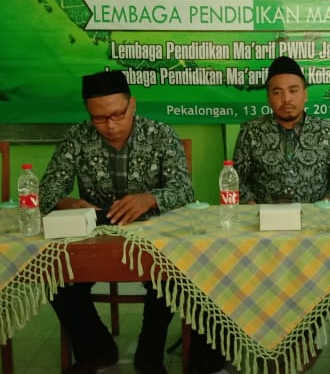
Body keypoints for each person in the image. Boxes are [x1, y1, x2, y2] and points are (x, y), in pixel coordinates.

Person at [39, 70, 224, 374]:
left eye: (118, 114)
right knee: (54, 273)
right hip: (96, 237)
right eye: (99, 118)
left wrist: (148, 198)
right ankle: (97, 349)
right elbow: (46, 189)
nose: (110, 125)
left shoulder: (160, 135)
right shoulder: (77, 137)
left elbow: (183, 190)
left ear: (132, 105)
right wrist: (67, 202)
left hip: (153, 237)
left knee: (169, 276)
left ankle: (149, 354)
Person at [233, 56, 330, 204]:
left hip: (316, 216)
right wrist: (254, 209)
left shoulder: (327, 131)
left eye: (293, 90)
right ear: (268, 98)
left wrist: (324, 207)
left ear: (305, 95)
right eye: (277, 92)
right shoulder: (251, 132)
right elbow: (236, 180)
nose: (286, 99)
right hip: (264, 217)